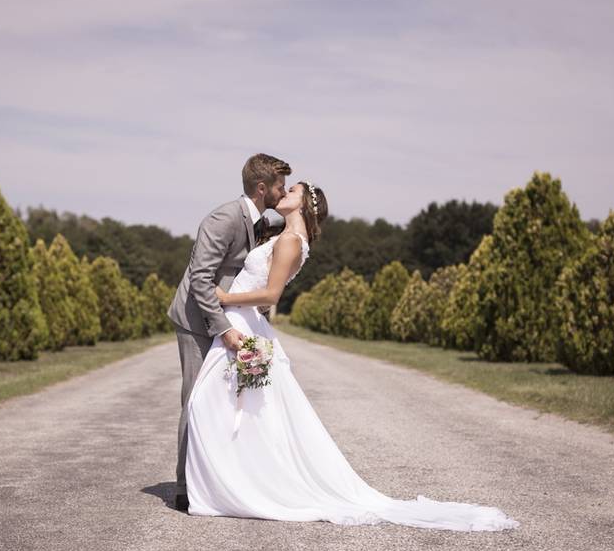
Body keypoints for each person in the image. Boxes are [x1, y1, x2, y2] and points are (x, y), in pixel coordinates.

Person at [184, 180, 521, 531]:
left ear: (303, 206)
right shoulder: (286, 236)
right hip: (244, 322)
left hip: (242, 319)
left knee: (210, 403)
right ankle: (237, 483)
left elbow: (270, 296)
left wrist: (224, 298)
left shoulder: (288, 241)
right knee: (234, 408)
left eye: (292, 192)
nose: (283, 194)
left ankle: (239, 487)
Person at [167, 153, 291, 512]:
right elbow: (201, 279)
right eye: (279, 186)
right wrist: (222, 329)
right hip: (197, 322)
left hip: (226, 319)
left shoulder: (259, 221)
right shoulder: (224, 218)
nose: (283, 192)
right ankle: (184, 488)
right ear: (262, 187)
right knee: (195, 400)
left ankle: (213, 479)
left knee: (220, 403)